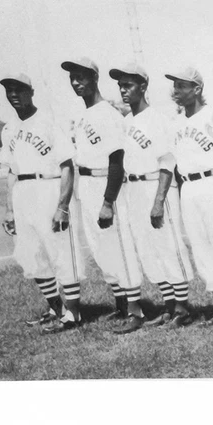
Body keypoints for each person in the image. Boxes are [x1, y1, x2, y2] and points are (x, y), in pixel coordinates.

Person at [62, 56, 145, 332]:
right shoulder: (83, 115)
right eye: (73, 78)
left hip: (105, 185)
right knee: (102, 250)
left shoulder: (108, 114)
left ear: (95, 78)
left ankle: (136, 310)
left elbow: (117, 160)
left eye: (82, 77)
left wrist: (108, 201)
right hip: (86, 183)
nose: (76, 82)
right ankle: (121, 304)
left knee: (120, 248)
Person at [110, 62, 194, 328]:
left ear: (143, 87)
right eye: (121, 85)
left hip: (156, 186)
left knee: (168, 247)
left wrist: (159, 201)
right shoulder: (125, 121)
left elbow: (168, 161)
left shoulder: (157, 118)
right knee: (148, 251)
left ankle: (182, 308)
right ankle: (168, 307)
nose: (124, 90)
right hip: (133, 188)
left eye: (129, 85)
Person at [0, 73, 83, 331]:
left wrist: (62, 206)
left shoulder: (48, 121)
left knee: (60, 253)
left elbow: (67, 165)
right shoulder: (8, 128)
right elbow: (12, 171)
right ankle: (56, 308)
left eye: (19, 89)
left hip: (48, 186)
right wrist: (10, 209)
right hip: (23, 192)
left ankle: (74, 314)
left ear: (31, 92)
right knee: (31, 255)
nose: (14, 94)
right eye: (9, 90)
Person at [166, 66, 213, 328]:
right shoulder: (176, 122)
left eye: (181, 85)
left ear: (196, 89)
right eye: (174, 85)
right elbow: (176, 166)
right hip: (189, 187)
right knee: (201, 248)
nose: (175, 91)